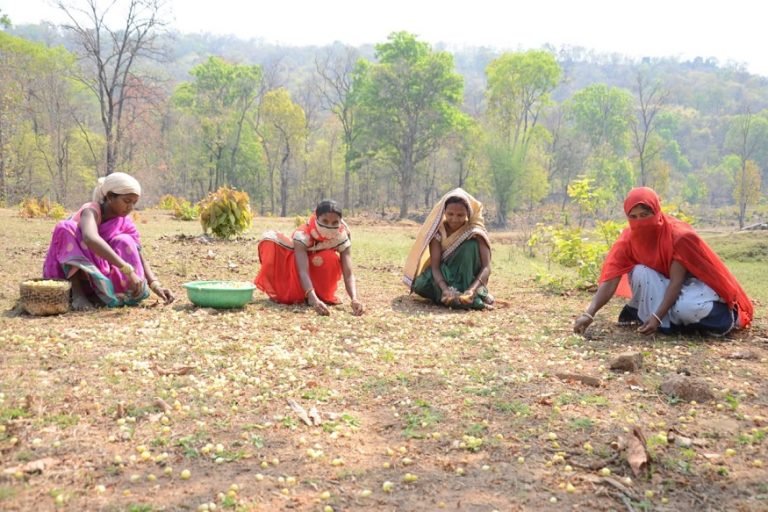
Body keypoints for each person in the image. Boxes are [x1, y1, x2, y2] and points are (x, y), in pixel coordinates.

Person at [574, 186, 753, 336]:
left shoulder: (678, 236)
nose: (640, 222)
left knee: (685, 308)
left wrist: (658, 316)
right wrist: (589, 313)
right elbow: (610, 279)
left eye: (644, 215)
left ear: (656, 211)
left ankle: (722, 318)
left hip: (695, 286)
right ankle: (668, 321)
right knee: (639, 272)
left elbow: (677, 281)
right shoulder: (628, 239)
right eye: (633, 217)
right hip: (665, 284)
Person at [42, 172, 175, 310]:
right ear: (110, 197)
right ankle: (78, 295)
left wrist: (155, 285)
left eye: (134, 203)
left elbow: (140, 257)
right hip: (74, 274)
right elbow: (90, 238)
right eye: (127, 201)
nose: (130, 207)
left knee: (125, 240)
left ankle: (111, 294)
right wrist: (128, 271)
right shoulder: (91, 211)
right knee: (66, 227)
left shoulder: (125, 223)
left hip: (102, 278)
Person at [254, 200, 364, 316]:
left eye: (334, 222)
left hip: (319, 268)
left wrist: (354, 299)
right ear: (317, 218)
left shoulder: (341, 235)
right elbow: (302, 271)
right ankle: (307, 294)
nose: (329, 226)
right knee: (315, 261)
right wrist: (313, 299)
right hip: (296, 270)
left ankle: (321, 294)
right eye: (325, 221)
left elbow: (348, 273)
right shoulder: (302, 234)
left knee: (329, 257)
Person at [403, 188, 493, 309]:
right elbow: (435, 267)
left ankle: (470, 295)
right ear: (444, 212)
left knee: (469, 246)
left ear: (468, 213)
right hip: (444, 276)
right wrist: (445, 289)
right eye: (450, 214)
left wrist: (471, 289)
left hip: (468, 278)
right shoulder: (438, 232)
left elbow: (486, 267)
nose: (455, 219)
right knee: (420, 285)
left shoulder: (475, 232)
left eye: (460, 215)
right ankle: (454, 296)